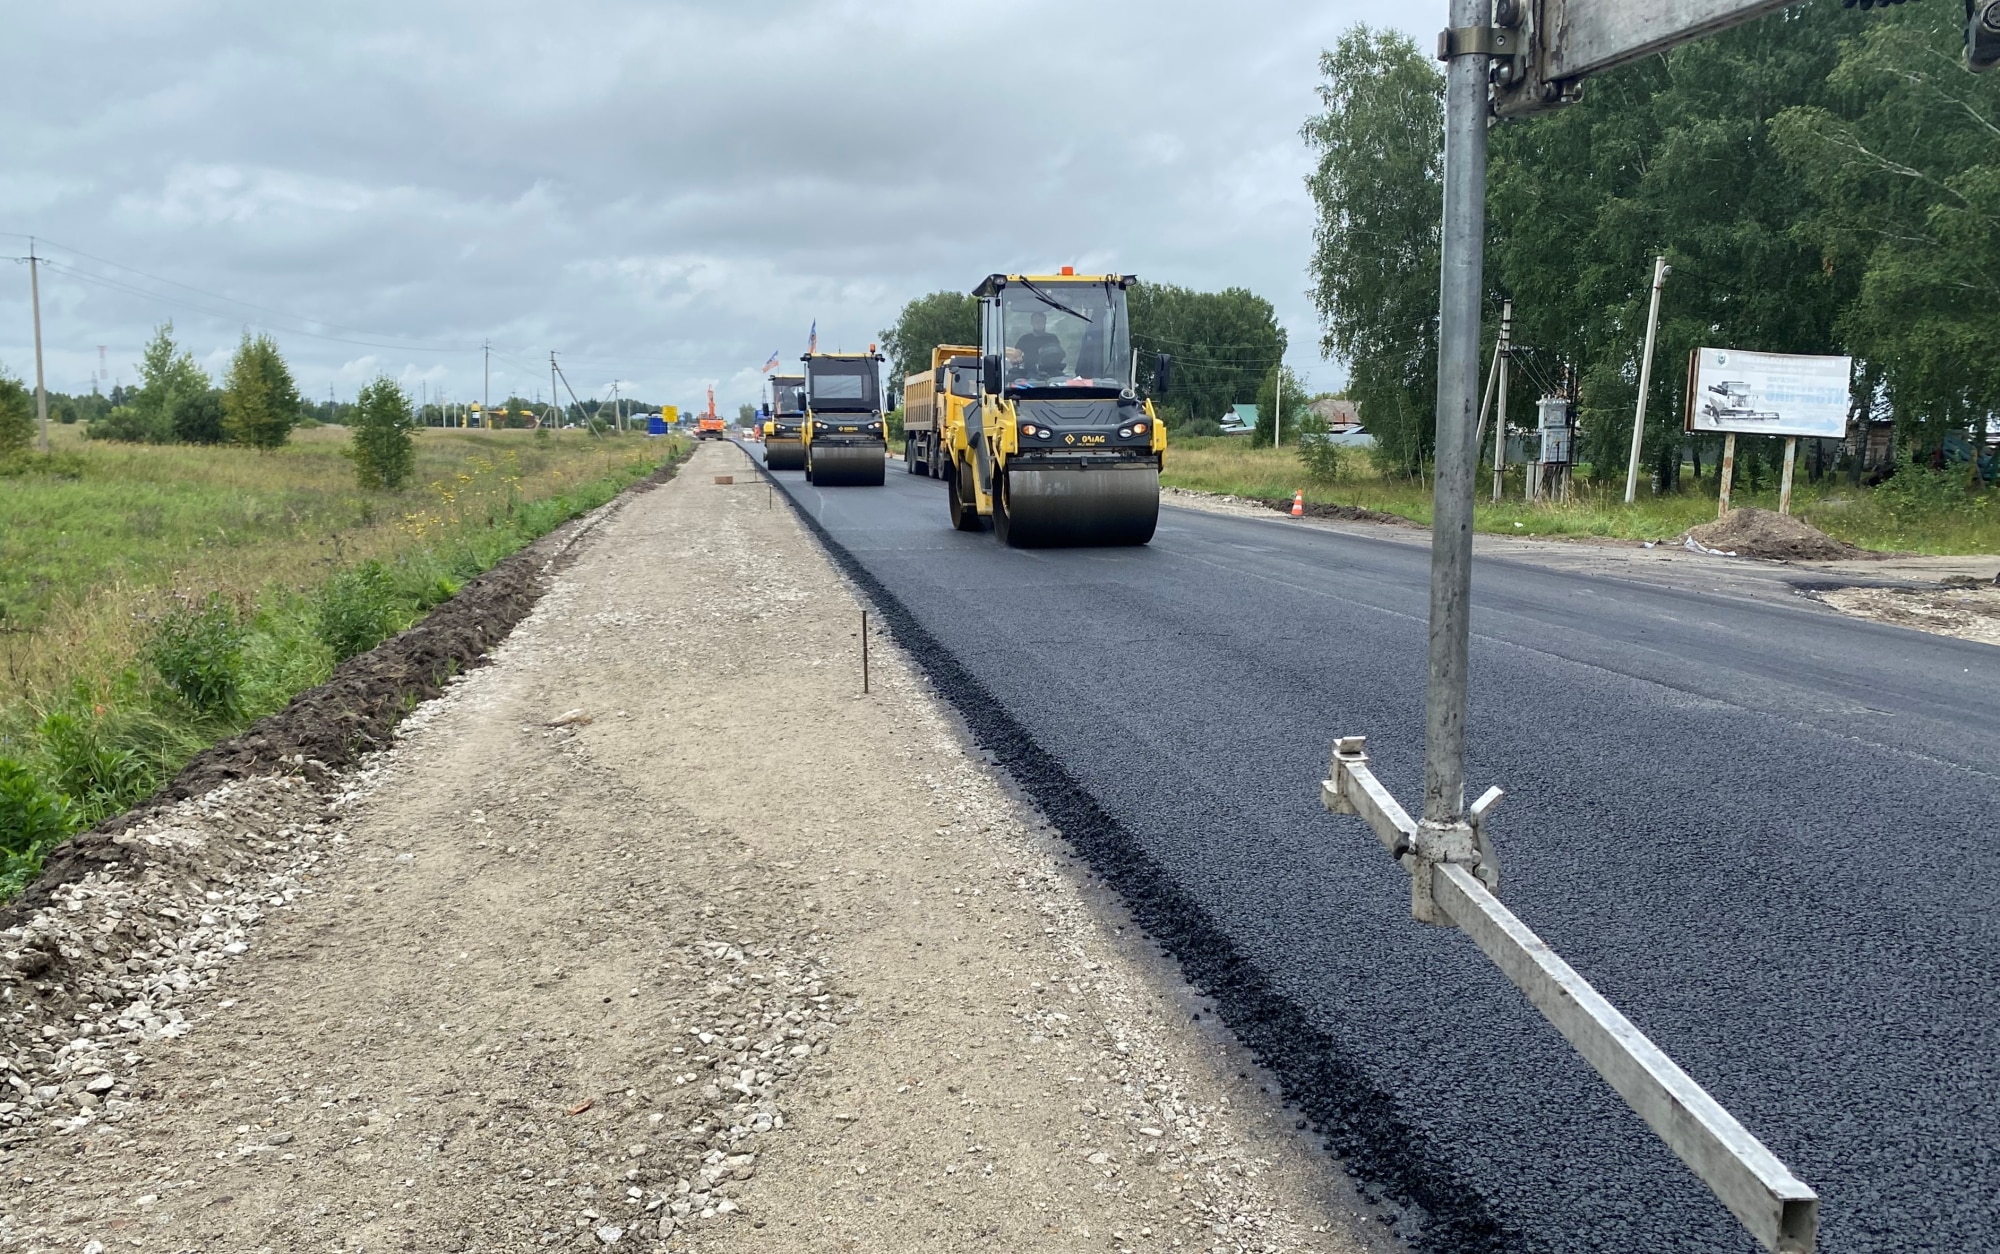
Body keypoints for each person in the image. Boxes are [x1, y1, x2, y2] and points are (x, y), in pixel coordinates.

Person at [1010, 311, 1063, 379]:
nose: (1039, 324)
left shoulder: (1052, 338)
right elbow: (1014, 358)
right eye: (1037, 321)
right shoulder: (1025, 339)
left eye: (1042, 321)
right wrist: (1018, 360)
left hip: (1052, 372)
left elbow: (1058, 355)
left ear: (1045, 322)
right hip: (1030, 373)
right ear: (1032, 323)